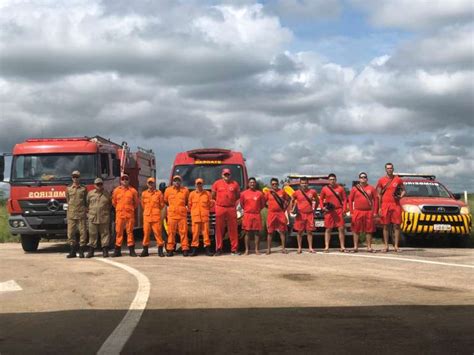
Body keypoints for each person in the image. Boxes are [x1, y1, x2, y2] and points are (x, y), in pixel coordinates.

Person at [376, 163, 406, 252]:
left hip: (396, 204)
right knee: (385, 226)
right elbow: (379, 194)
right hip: (385, 205)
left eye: (391, 168)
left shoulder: (398, 179)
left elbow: (404, 190)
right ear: (385, 169)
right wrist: (380, 207)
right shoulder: (381, 180)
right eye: (388, 168)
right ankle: (386, 246)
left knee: (396, 225)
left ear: (393, 169)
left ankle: (396, 246)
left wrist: (400, 196)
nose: (389, 169)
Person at [211, 168, 241, 256]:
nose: (226, 176)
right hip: (220, 208)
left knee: (233, 229)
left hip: (231, 208)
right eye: (225, 174)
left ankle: (234, 249)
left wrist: (230, 202)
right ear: (222, 175)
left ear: (230, 175)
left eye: (228, 174)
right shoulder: (217, 183)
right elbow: (213, 195)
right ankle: (219, 249)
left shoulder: (235, 184)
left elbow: (237, 196)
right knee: (219, 229)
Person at [348, 172, 378, 252]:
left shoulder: (371, 188)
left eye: (365, 177)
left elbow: (376, 200)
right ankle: (355, 247)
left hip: (368, 211)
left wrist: (375, 211)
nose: (363, 179)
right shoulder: (355, 188)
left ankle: (369, 247)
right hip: (357, 211)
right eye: (361, 177)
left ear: (367, 179)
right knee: (356, 230)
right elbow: (350, 200)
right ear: (359, 179)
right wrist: (351, 211)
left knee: (369, 230)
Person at [112, 174, 139, 257]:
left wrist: (129, 209)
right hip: (120, 215)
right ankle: (117, 251)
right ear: (120, 180)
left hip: (129, 215)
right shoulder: (116, 191)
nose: (124, 180)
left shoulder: (133, 191)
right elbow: (114, 202)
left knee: (130, 232)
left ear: (129, 180)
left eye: (126, 179)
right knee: (119, 232)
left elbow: (136, 203)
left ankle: (131, 250)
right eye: (123, 179)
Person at [290, 176, 319, 254]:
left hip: (309, 214)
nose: (304, 184)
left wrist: (314, 209)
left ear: (308, 183)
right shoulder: (296, 192)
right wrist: (292, 209)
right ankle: (299, 248)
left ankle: (310, 248)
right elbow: (292, 200)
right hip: (300, 214)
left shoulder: (312, 192)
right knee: (299, 232)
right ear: (300, 184)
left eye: (305, 183)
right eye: (302, 183)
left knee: (309, 231)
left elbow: (317, 201)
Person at [320, 174, 347, 253]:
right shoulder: (324, 189)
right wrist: (322, 208)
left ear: (336, 180)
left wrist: (344, 210)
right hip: (329, 211)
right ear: (328, 180)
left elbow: (345, 199)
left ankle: (342, 246)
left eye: (334, 179)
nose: (332, 181)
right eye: (331, 179)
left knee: (341, 228)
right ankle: (326, 247)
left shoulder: (340, 188)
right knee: (328, 229)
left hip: (338, 210)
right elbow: (321, 199)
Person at [164, 175, 190, 257]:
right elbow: (165, 201)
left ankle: (185, 249)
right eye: (175, 180)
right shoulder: (168, 190)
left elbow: (187, 201)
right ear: (172, 182)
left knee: (184, 233)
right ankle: (170, 249)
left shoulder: (185, 190)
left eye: (178, 180)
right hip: (172, 216)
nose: (177, 182)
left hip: (182, 216)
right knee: (171, 233)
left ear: (181, 182)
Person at [86, 178, 112, 258]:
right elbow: (87, 204)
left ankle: (105, 250)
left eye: (100, 184)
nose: (99, 186)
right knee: (92, 234)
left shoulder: (107, 194)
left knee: (105, 234)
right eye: (97, 184)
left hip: (104, 217)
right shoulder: (90, 194)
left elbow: (110, 205)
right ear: (94, 185)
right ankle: (91, 251)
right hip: (93, 217)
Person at [188, 178, 214, 256]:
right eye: (197, 183)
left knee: (206, 234)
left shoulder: (207, 194)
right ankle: (194, 250)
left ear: (203, 184)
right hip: (195, 218)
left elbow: (210, 204)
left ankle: (207, 250)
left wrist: (205, 211)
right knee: (195, 234)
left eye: (200, 183)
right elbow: (190, 205)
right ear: (195, 184)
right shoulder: (192, 194)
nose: (199, 185)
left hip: (204, 217)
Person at [240, 177, 265, 255]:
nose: (252, 184)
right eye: (250, 182)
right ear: (248, 184)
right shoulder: (243, 193)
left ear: (255, 183)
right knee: (246, 233)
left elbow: (262, 205)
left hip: (256, 215)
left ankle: (256, 249)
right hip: (247, 215)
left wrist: (256, 210)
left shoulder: (260, 193)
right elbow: (242, 204)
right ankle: (247, 250)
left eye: (253, 182)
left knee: (256, 233)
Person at [65, 170, 88, 258]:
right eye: (74, 177)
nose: (75, 178)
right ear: (72, 178)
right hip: (71, 214)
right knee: (70, 233)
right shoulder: (68, 188)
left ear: (79, 178)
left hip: (81, 213)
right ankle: (72, 251)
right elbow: (68, 200)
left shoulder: (83, 188)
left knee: (83, 232)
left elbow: (86, 200)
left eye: (77, 177)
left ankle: (81, 251)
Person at [141, 177, 165, 257]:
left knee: (158, 234)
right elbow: (142, 205)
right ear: (147, 184)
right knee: (146, 234)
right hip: (147, 217)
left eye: (152, 183)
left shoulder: (159, 193)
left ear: (154, 184)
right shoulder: (144, 194)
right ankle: (145, 250)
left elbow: (162, 205)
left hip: (156, 217)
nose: (151, 184)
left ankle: (160, 250)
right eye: (149, 183)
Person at [265, 178, 290, 254]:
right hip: (271, 214)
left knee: (282, 231)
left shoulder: (282, 192)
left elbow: (288, 199)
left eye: (276, 184)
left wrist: (284, 208)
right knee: (270, 232)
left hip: (280, 213)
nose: (274, 185)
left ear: (278, 184)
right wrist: (268, 208)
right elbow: (263, 202)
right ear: (271, 185)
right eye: (273, 184)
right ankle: (268, 249)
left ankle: (283, 248)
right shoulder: (268, 193)